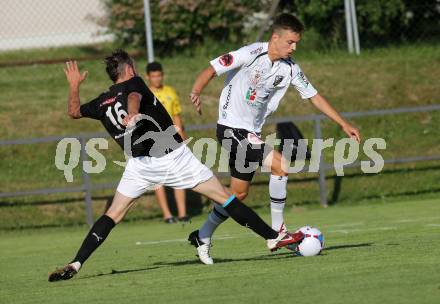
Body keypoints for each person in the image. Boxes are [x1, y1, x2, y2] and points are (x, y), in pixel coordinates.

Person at [48, 50, 304, 282]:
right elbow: (135, 96)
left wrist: (73, 86)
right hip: (173, 158)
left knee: (112, 214)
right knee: (226, 198)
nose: (136, 72)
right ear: (128, 69)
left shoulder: (103, 101)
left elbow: (74, 112)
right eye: (134, 67)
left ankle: (76, 262)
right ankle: (273, 236)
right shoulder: (134, 83)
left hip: (140, 165)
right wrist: (133, 113)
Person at [188, 13, 361, 264]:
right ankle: (278, 233)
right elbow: (213, 68)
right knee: (281, 165)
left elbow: (314, 96)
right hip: (230, 129)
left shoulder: (290, 69)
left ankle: (203, 235)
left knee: (238, 195)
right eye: (290, 42)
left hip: (249, 134)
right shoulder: (250, 53)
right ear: (275, 37)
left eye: (296, 43)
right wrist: (196, 91)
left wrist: (343, 123)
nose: (294, 47)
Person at [145, 61, 188, 223]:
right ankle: (167, 215)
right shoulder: (144, 94)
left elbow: (177, 116)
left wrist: (182, 137)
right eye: (153, 76)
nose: (157, 79)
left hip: (172, 139)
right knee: (158, 178)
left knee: (179, 175)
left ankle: (183, 213)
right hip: (153, 141)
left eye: (159, 75)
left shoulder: (170, 92)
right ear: (148, 77)